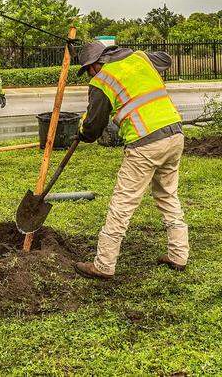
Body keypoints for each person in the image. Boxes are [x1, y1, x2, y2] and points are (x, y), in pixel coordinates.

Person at [72, 41, 189, 280]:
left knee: (123, 203)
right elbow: (165, 59)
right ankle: (179, 254)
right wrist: (129, 53)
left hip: (145, 141)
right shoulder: (139, 58)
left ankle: (103, 265)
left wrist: (82, 132)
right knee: (168, 194)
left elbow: (93, 128)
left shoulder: (101, 81)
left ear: (96, 63)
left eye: (89, 69)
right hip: (174, 133)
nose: (90, 74)